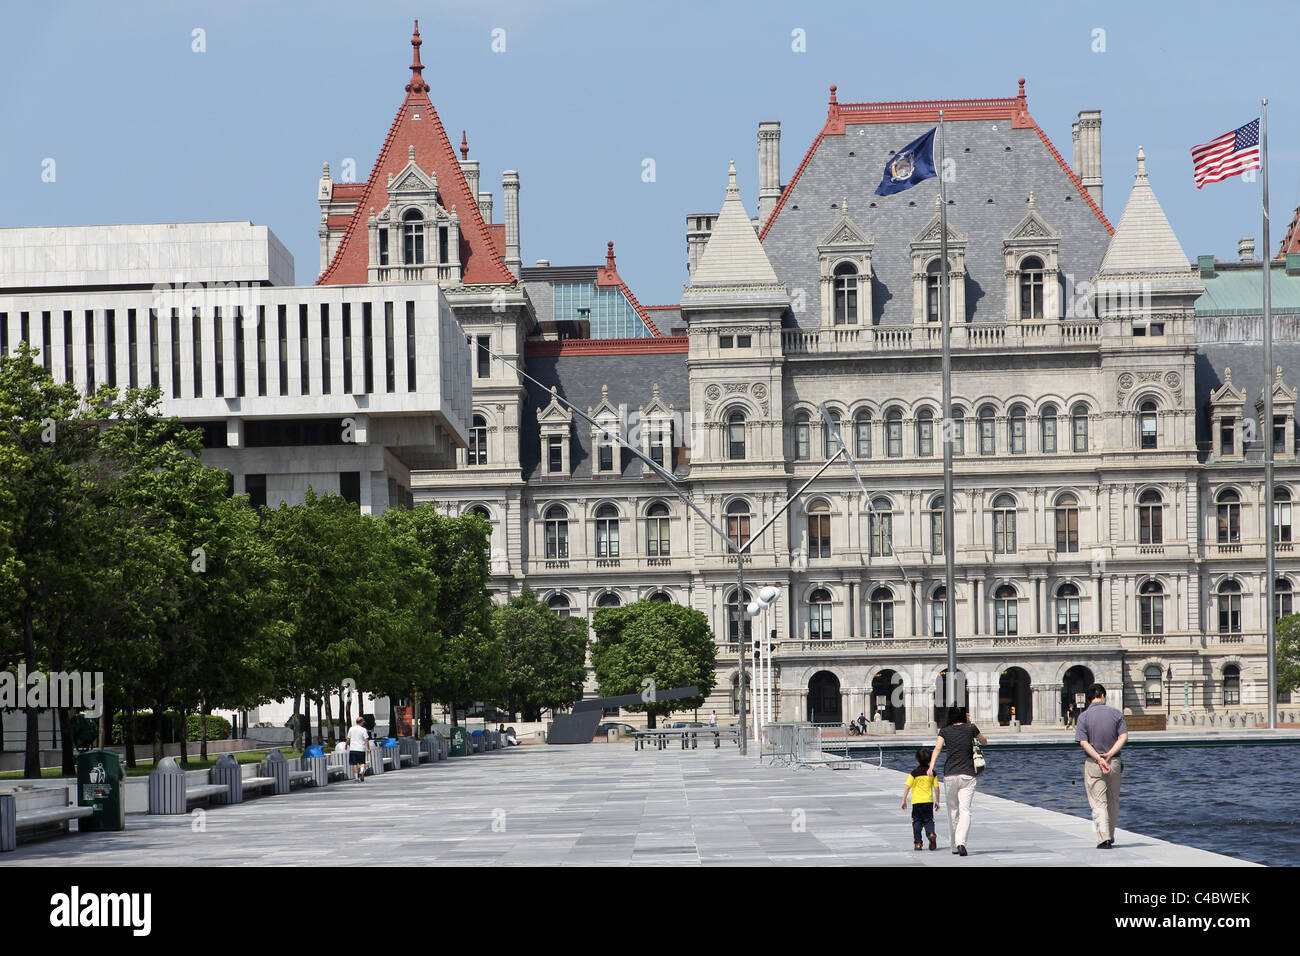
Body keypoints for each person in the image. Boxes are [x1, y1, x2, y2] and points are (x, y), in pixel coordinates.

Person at [926, 705, 987, 856]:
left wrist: (931, 766)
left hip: (950, 775)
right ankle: (961, 843)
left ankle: (954, 845)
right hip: (968, 775)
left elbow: (938, 748)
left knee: (953, 811)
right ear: (963, 716)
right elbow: (984, 742)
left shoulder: (945, 731)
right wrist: (970, 723)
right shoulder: (971, 728)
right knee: (965, 811)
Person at [1075, 683, 1128, 848]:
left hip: (1094, 763)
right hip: (1114, 762)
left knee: (1098, 802)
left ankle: (1103, 838)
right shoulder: (1116, 713)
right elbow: (1123, 737)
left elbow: (1083, 742)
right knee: (1113, 800)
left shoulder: (1083, 717)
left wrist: (1099, 758)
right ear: (1103, 696)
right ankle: (1111, 834)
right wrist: (1110, 755)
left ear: (1089, 698)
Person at [901, 747, 940, 851]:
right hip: (928, 801)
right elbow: (936, 788)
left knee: (917, 822)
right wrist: (938, 801)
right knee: (929, 820)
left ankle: (918, 843)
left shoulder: (914, 773)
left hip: (917, 802)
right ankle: (931, 833)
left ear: (916, 759)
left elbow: (907, 787)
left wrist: (904, 800)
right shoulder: (932, 773)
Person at [347, 716, 371, 783]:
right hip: (361, 749)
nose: (363, 723)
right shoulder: (363, 730)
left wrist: (347, 745)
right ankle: (361, 771)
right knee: (362, 763)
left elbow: (348, 739)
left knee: (354, 764)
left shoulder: (351, 729)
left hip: (353, 749)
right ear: (361, 722)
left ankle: (356, 779)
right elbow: (366, 740)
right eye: (363, 721)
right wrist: (368, 748)